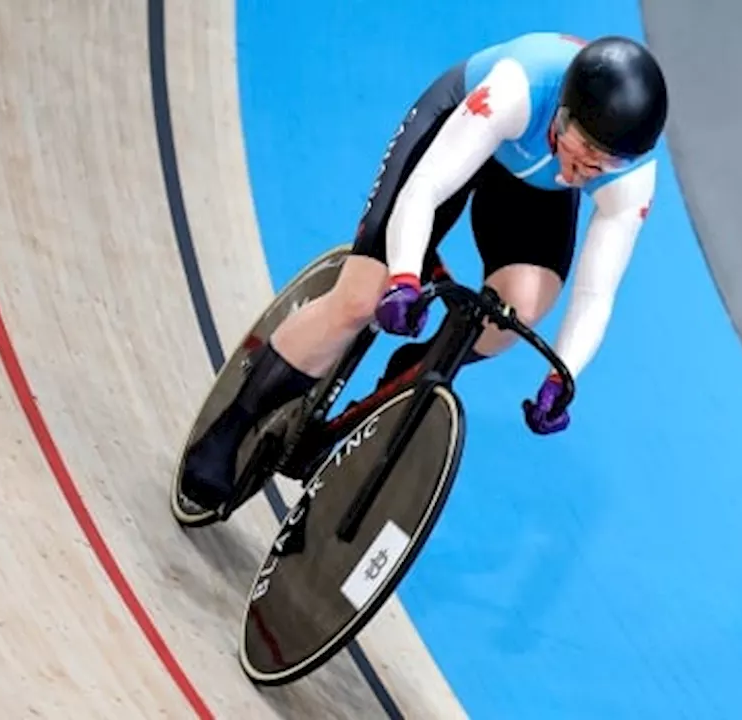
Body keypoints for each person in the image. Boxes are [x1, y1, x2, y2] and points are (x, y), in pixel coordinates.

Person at [179, 31, 669, 511]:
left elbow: (596, 294)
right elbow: (426, 189)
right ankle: (233, 423)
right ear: (564, 113)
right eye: (585, 147)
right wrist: (404, 281)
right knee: (360, 298)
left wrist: (563, 377)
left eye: (606, 161)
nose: (588, 168)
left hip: (531, 186)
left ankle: (400, 384)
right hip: (457, 131)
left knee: (511, 321)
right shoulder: (517, 88)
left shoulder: (630, 178)